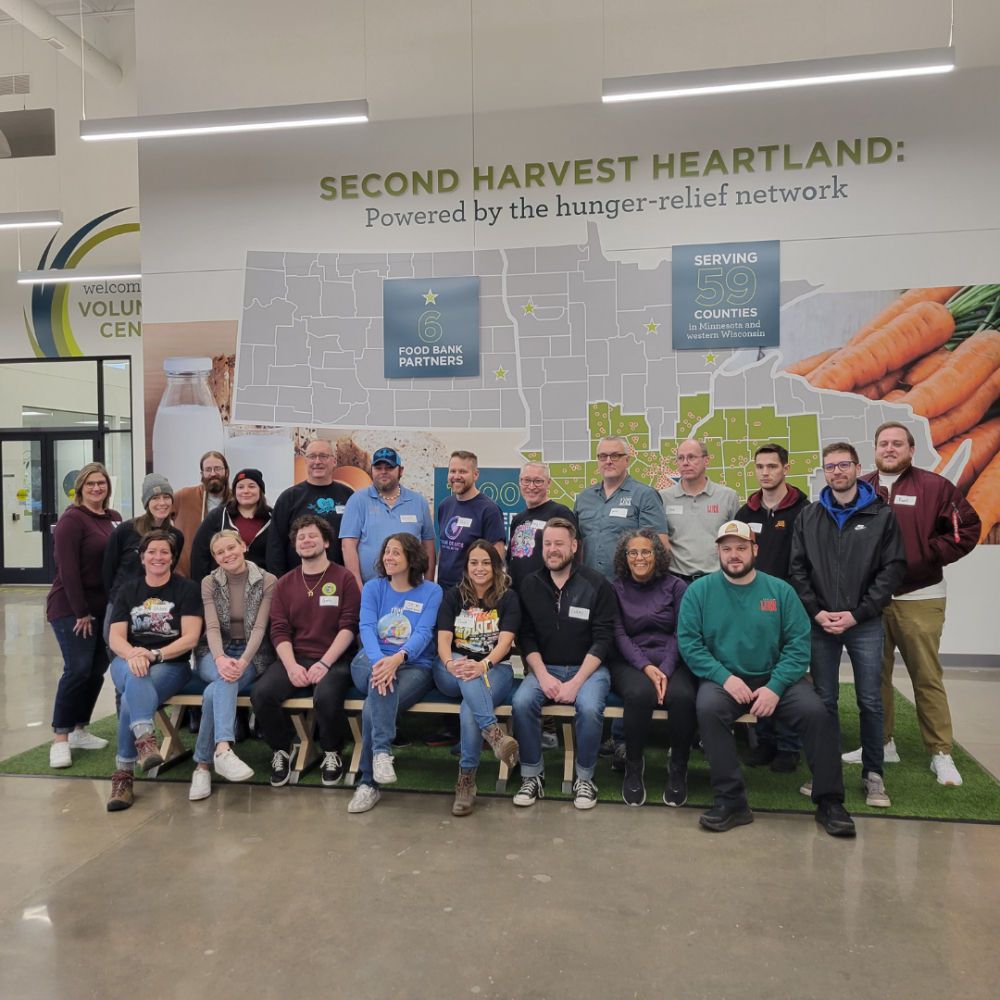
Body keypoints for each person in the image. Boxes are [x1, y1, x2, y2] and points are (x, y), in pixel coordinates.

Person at [678, 521, 855, 836]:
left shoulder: (781, 591)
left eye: (741, 548)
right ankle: (731, 802)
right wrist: (724, 677)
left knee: (815, 712)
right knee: (708, 708)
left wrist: (774, 687)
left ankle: (830, 802)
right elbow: (690, 645)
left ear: (754, 550)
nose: (735, 555)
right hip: (725, 681)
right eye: (727, 549)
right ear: (718, 552)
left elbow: (799, 647)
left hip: (779, 680)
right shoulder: (699, 592)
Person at [848, 421, 981, 786]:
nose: (889, 449)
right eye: (883, 444)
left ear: (911, 450)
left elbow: (966, 529)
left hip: (919, 597)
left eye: (897, 444)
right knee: (874, 678)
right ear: (874, 450)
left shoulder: (934, 486)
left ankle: (941, 753)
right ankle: (882, 743)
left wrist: (922, 556)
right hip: (873, 601)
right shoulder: (863, 489)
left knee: (926, 678)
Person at [788, 442, 907, 810]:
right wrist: (817, 612)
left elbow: (893, 570)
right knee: (824, 701)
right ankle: (827, 772)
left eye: (843, 465)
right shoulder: (809, 516)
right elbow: (798, 569)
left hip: (865, 623)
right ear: (823, 472)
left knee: (870, 700)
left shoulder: (881, 515)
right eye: (829, 466)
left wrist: (858, 613)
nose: (836, 472)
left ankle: (874, 775)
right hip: (820, 623)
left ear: (857, 467)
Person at [574, 435, 669, 768]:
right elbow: (577, 547)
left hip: (630, 596)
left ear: (628, 459)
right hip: (590, 595)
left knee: (629, 660)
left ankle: (624, 737)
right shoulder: (584, 498)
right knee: (598, 657)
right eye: (603, 455)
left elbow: (660, 547)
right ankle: (602, 731)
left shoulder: (643, 495)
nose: (608, 461)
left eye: (616, 455)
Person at [511, 518, 616, 810]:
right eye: (547, 544)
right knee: (521, 703)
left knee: (589, 706)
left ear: (573, 546)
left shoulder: (597, 584)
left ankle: (585, 777)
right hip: (547, 668)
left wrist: (577, 682)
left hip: (589, 670)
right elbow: (526, 637)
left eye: (559, 543)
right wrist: (542, 675)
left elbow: (604, 638)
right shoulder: (529, 585)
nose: (552, 550)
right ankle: (532, 775)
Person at [250, 515, 362, 787]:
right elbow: (279, 629)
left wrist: (324, 663)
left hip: (335, 659)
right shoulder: (285, 583)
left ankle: (332, 752)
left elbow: (349, 626)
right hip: (295, 657)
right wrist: (290, 666)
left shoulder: (344, 578)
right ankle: (282, 749)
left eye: (312, 535)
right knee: (261, 694)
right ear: (295, 545)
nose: (306, 540)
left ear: (325, 542)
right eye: (300, 537)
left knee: (325, 696)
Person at [106, 530, 202, 812]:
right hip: (126, 661)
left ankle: (123, 775)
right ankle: (146, 741)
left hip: (171, 665)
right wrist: (134, 654)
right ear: (142, 557)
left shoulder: (187, 589)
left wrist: (154, 654)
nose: (157, 557)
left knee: (128, 699)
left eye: (164, 552)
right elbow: (115, 638)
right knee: (135, 675)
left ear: (172, 558)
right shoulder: (128, 590)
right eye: (152, 552)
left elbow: (191, 638)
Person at [346, 533, 443, 813]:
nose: (388, 557)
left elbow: (424, 632)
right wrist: (382, 662)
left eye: (396, 552)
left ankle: (368, 784)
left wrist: (398, 659)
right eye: (386, 551)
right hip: (370, 660)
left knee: (370, 709)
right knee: (382, 683)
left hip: (414, 664)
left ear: (412, 557)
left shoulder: (432, 591)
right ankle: (382, 754)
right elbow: (366, 628)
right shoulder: (374, 588)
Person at [734, 443, 811, 773]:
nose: (765, 472)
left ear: (785, 468)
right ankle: (764, 740)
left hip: (789, 605)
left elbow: (808, 560)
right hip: (752, 607)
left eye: (772, 466)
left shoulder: (804, 511)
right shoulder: (745, 513)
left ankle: (790, 745)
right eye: (760, 467)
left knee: (788, 675)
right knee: (758, 670)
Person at [189, 529, 278, 800]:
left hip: (251, 654)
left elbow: (261, 627)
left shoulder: (267, 580)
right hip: (213, 652)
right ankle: (223, 750)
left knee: (216, 689)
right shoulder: (209, 582)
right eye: (220, 552)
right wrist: (220, 658)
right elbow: (212, 627)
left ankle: (203, 767)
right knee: (223, 677)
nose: (227, 555)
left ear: (243, 546)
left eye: (231, 548)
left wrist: (242, 661)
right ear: (215, 557)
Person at [434, 540, 521, 816]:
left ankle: (466, 779)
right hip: (450, 669)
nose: (480, 568)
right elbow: (444, 639)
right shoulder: (452, 596)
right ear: (466, 566)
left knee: (468, 705)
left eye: (486, 562)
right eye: (474, 562)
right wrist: (451, 663)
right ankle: (495, 735)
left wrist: (483, 665)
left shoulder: (508, 598)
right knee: (465, 669)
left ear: (496, 567)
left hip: (495, 670)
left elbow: (505, 643)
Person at [610, 528, 694, 807]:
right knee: (640, 694)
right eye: (633, 552)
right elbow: (619, 635)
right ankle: (633, 766)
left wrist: (666, 669)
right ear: (625, 557)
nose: (639, 557)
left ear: (657, 555)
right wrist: (646, 667)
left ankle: (679, 768)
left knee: (682, 696)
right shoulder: (615, 589)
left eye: (646, 551)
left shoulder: (677, 586)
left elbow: (682, 632)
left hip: (674, 660)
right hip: (631, 663)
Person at [47, 463, 122, 769]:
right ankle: (60, 738)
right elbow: (67, 571)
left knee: (95, 670)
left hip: (104, 609)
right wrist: (81, 612)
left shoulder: (113, 519)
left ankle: (79, 729)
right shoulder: (71, 521)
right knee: (77, 669)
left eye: (101, 483)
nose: (96, 488)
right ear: (80, 488)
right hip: (71, 608)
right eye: (90, 484)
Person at [103, 474, 185, 641]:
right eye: (155, 498)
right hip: (122, 602)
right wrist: (114, 599)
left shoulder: (176, 536)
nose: (162, 503)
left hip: (156, 606)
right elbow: (108, 570)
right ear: (147, 502)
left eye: (166, 497)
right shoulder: (125, 530)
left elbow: (167, 572)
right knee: (117, 647)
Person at [340, 447, 436, 587]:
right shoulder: (357, 501)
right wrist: (358, 589)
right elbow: (348, 547)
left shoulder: (418, 501)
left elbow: (428, 547)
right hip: (370, 589)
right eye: (378, 468)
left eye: (389, 468)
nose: (383, 472)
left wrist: (428, 586)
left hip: (411, 588)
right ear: (371, 470)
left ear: (400, 471)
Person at [659, 438, 741, 584]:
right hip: (678, 582)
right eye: (680, 458)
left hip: (719, 581)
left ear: (706, 461)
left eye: (691, 457)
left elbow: (737, 541)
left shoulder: (728, 496)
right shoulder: (663, 498)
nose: (685, 463)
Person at [267, 439, 353, 575]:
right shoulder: (289, 498)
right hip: (299, 582)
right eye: (312, 457)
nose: (317, 462)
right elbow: (275, 546)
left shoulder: (349, 496)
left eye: (324, 456)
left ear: (334, 461)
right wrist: (280, 583)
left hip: (340, 580)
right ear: (306, 462)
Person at [436, 450, 506, 592]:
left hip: (472, 592)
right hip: (445, 592)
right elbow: (443, 547)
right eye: (452, 471)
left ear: (475, 475)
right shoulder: (445, 505)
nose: (456, 476)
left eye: (463, 471)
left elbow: (496, 556)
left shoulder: (489, 510)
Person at [189, 468, 272, 581]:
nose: (246, 491)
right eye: (240, 487)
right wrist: (200, 587)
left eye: (252, 486)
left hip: (263, 585)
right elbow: (199, 553)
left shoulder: (273, 518)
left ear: (261, 490)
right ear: (234, 492)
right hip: (223, 586)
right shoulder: (217, 516)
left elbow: (280, 554)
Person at [172, 450, 231, 578]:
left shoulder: (236, 501)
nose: (213, 473)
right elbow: (160, 512)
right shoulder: (184, 496)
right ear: (202, 473)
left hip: (229, 578)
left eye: (217, 468)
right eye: (208, 469)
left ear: (226, 471)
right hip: (187, 576)